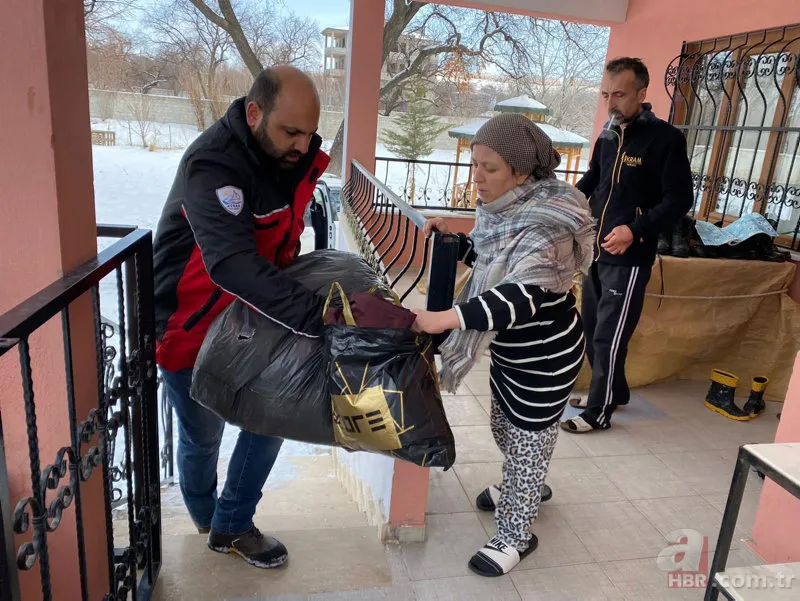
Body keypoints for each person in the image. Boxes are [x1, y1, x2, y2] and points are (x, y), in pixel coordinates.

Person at [152, 65, 330, 568]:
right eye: (290, 131)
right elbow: (231, 262)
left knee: (271, 420)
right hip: (192, 331)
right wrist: (317, 314)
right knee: (202, 438)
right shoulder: (212, 164)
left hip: (261, 323)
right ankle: (207, 516)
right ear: (255, 112)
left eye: (309, 133)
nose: (302, 145)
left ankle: (231, 525)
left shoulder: (290, 159)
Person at [413, 113, 595, 577]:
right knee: (505, 430)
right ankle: (528, 484)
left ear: (520, 170)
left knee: (527, 442)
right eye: (475, 164)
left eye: (488, 167)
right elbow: (493, 259)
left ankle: (517, 532)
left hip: (546, 358)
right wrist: (456, 243)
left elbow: (518, 295)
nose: (477, 176)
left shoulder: (544, 224)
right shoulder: (504, 210)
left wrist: (445, 317)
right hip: (512, 353)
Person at [560, 57, 693, 434]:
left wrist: (635, 230)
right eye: (605, 94)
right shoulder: (608, 134)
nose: (611, 102)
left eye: (619, 94)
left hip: (630, 255)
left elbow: (679, 199)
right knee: (589, 328)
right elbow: (596, 177)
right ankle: (613, 391)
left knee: (609, 335)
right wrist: (568, 200)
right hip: (596, 249)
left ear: (641, 92)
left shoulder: (666, 140)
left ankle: (599, 413)